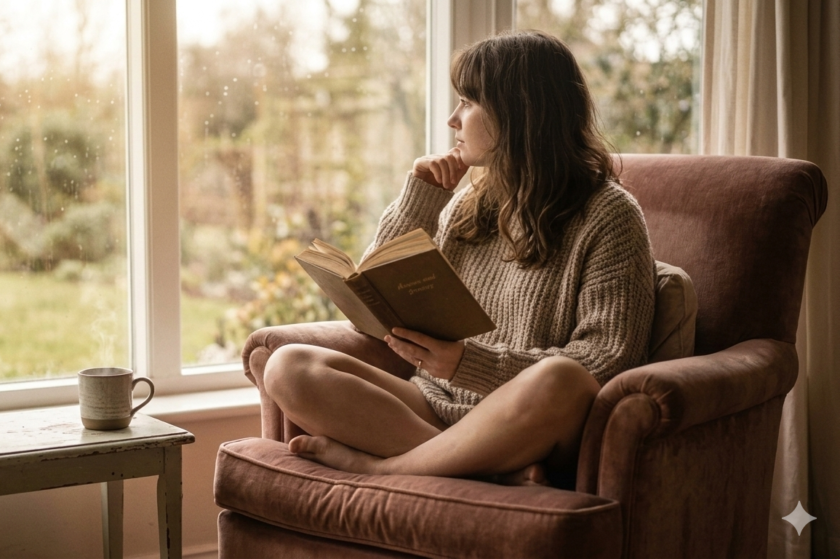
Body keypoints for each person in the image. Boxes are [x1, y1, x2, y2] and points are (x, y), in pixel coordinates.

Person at [262, 30, 656, 488]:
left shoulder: (610, 215)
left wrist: (467, 364)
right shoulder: (473, 202)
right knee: (288, 367)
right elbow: (370, 313)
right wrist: (420, 199)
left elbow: (607, 363)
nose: (453, 119)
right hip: (433, 405)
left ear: (519, 112)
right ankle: (489, 472)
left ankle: (384, 467)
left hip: (528, 421)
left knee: (562, 379)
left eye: (468, 102)